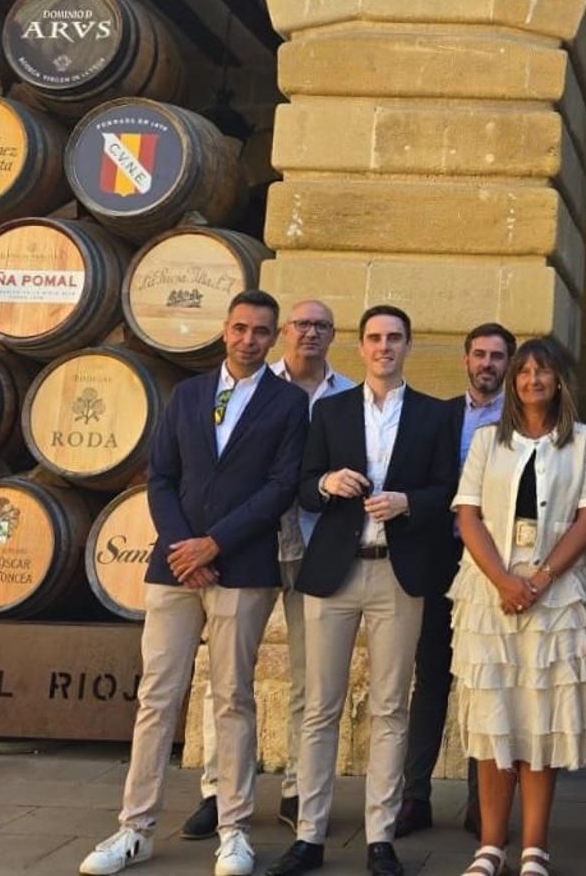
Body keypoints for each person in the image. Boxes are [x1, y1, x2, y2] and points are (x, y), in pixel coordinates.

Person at [79, 291, 309, 876]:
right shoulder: (187, 396)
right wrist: (186, 549)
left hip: (243, 568)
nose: (249, 339)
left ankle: (234, 830)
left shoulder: (289, 404)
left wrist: (216, 545)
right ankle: (135, 829)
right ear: (224, 331)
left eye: (261, 331)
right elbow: (161, 479)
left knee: (233, 697)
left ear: (272, 336)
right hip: (174, 570)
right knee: (157, 697)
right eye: (240, 328)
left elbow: (281, 487)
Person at [264, 306, 460, 876]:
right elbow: (300, 485)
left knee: (391, 707)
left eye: (394, 337)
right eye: (374, 338)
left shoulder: (432, 416)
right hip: (333, 571)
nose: (383, 347)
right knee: (320, 709)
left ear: (408, 345)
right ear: (360, 346)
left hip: (398, 574)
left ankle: (381, 836)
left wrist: (409, 503)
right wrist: (325, 483)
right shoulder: (328, 411)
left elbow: (447, 488)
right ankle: (309, 836)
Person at [183, 300, 355, 843]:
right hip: (248, 545)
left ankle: (296, 788)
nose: (309, 333)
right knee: (228, 676)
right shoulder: (247, 386)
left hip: (313, 544)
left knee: (310, 675)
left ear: (332, 335)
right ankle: (217, 790)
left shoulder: (348, 394)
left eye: (320, 326)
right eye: (300, 324)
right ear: (283, 332)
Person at [450, 337, 586, 876]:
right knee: (496, 722)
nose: (532, 380)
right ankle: (490, 847)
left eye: (543, 372)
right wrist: (502, 580)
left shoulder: (583, 441)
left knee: (540, 721)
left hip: (556, 594)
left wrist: (538, 580)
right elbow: (467, 513)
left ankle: (535, 847)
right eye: (524, 373)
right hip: (489, 594)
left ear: (560, 380)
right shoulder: (490, 441)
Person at [395, 321, 516, 840]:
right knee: (431, 680)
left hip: (497, 567)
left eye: (497, 356)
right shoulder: (437, 416)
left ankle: (479, 806)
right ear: (466, 360)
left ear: (508, 364)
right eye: (480, 354)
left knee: (486, 684)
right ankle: (413, 797)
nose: (487, 364)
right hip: (441, 562)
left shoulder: (524, 421)